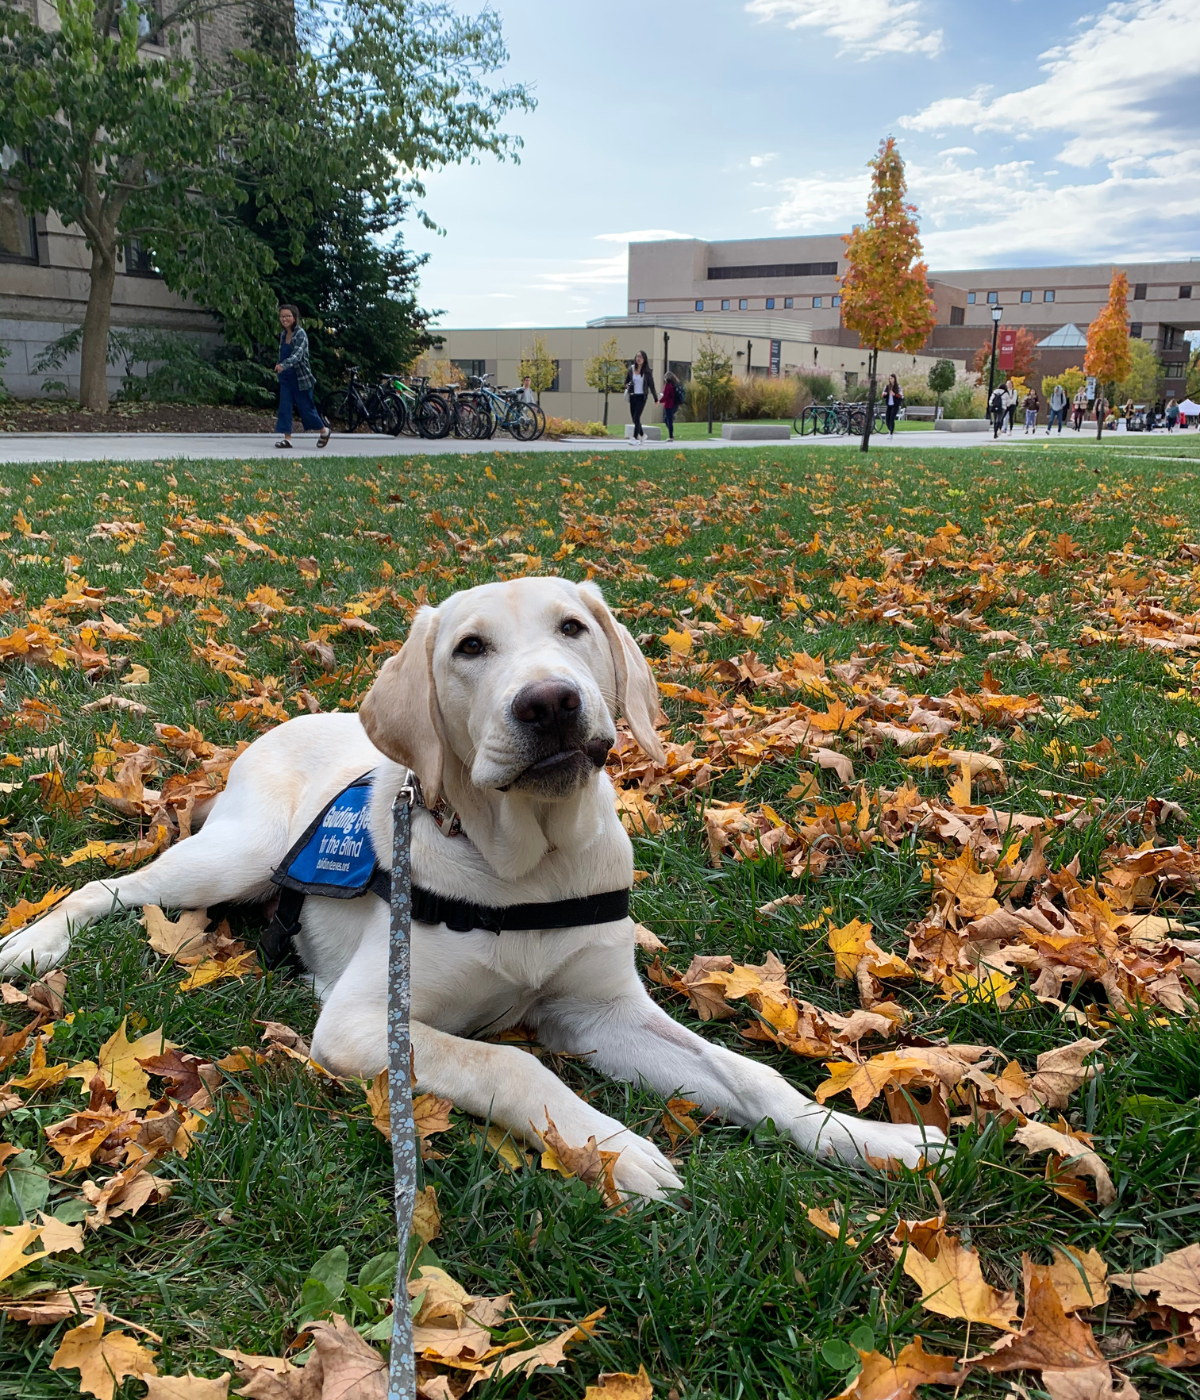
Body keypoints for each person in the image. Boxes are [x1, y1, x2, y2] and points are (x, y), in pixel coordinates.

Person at [274, 305, 329, 449]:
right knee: (284, 407)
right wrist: (280, 365)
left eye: (288, 316)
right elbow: (283, 354)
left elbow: (297, 356)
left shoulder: (300, 334)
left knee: (306, 408)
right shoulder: (282, 335)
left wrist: (284, 364)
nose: (285, 319)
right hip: (286, 377)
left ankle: (324, 431)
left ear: (294, 317)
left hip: (301, 378)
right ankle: (287, 439)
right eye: (282, 316)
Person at [623, 350, 658, 443]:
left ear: (644, 359)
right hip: (633, 396)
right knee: (634, 418)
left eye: (641, 357)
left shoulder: (647, 372)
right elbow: (626, 381)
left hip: (642, 397)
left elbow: (652, 385)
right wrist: (627, 385)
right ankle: (642, 435)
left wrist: (656, 399)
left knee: (637, 416)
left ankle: (635, 438)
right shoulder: (631, 369)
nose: (638, 358)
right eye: (637, 356)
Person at [660, 371, 683, 441]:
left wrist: (659, 401)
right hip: (675, 404)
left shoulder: (668, 385)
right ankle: (671, 434)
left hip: (669, 405)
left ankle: (671, 436)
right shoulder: (676, 384)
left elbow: (666, 396)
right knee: (666, 419)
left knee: (669, 420)